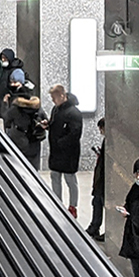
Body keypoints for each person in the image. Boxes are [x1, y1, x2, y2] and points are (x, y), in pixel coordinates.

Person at [46, 85, 84, 219]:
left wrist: (61, 142)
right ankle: (57, 203)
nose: (52, 101)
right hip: (56, 151)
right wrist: (48, 125)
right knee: (55, 177)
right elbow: (55, 125)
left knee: (70, 179)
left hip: (69, 153)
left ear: (62, 95)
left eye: (54, 98)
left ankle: (73, 206)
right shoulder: (56, 110)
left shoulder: (74, 113)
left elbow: (75, 133)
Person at [3, 79, 45, 168]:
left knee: (19, 166)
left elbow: (6, 121)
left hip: (18, 139)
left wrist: (5, 104)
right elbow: (46, 120)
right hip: (34, 141)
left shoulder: (15, 109)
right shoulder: (37, 108)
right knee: (33, 167)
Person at [86, 117, 109, 241]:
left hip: (103, 180)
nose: (101, 132)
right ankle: (94, 227)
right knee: (97, 202)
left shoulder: (109, 142)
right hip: (101, 179)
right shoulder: (107, 141)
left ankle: (97, 227)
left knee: (100, 203)